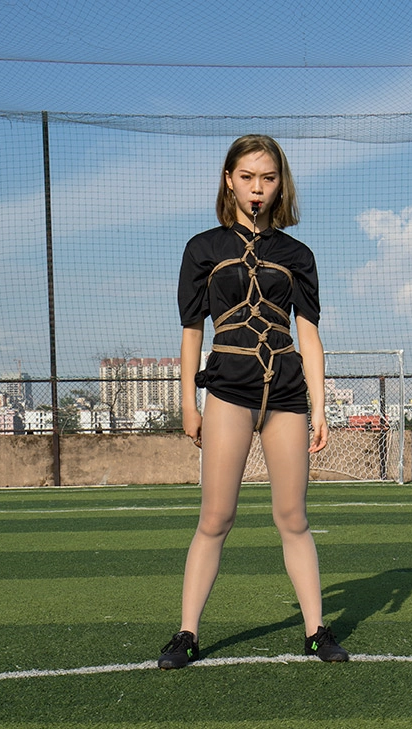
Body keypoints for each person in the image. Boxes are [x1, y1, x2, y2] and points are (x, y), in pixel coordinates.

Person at [158, 134, 349, 670]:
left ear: (280, 184)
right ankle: (187, 634)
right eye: (247, 177)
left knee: (293, 516)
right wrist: (188, 403)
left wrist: (321, 407)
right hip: (227, 391)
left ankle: (316, 632)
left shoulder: (297, 255)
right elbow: (191, 331)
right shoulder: (202, 249)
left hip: (286, 394)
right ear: (229, 181)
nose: (257, 188)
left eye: (267, 178)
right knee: (216, 517)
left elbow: (308, 334)